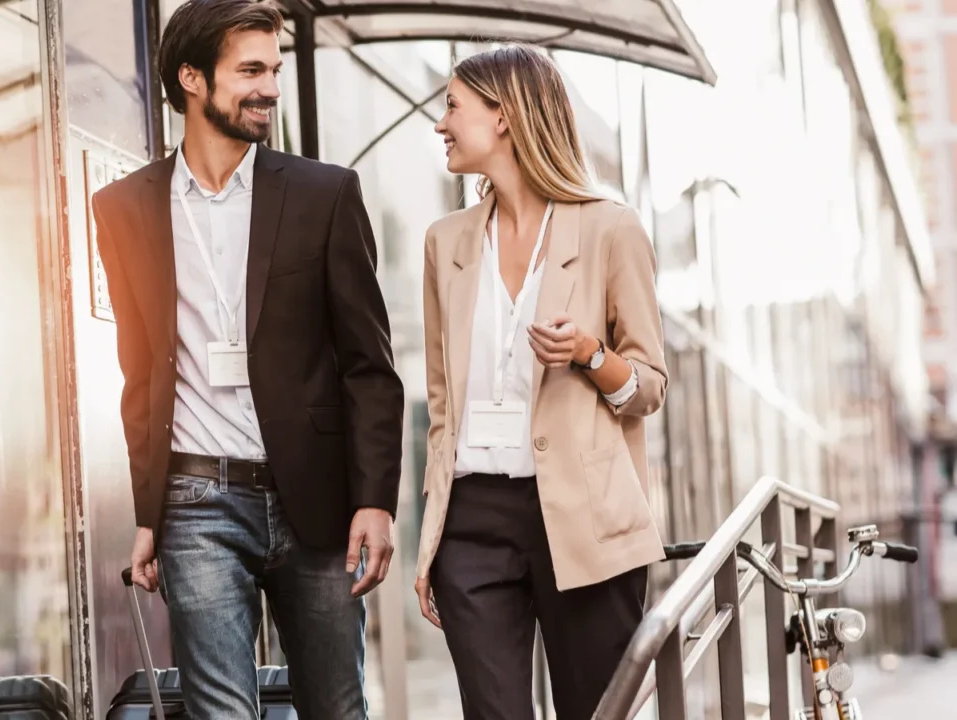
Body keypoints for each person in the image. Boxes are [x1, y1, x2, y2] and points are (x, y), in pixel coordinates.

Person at [92, 0, 405, 716]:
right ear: (193, 78)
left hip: (317, 504)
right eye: (251, 70)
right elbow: (139, 376)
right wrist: (148, 515)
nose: (269, 87)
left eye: (275, 69)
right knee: (222, 712)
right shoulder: (123, 210)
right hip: (196, 503)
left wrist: (375, 500)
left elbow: (368, 365)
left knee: (336, 705)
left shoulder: (325, 195)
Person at [412, 45, 668, 720]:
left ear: (504, 117)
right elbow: (443, 406)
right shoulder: (446, 242)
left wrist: (588, 353)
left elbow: (648, 385)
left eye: (453, 106)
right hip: (471, 523)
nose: (440, 123)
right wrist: (432, 534)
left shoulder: (611, 229)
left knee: (597, 710)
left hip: (582, 515)